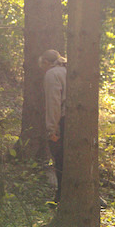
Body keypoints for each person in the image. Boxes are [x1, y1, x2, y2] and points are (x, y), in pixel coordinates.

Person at [38, 49, 67, 202]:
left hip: (63, 121)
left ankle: (61, 196)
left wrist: (52, 129)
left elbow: (53, 103)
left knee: (60, 159)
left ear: (46, 63)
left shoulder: (52, 74)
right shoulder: (68, 70)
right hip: (74, 119)